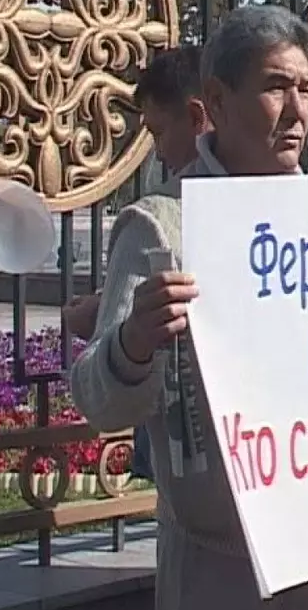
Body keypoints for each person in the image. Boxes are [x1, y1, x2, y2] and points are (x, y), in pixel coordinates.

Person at [69, 4, 308, 610]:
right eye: (275, 86)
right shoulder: (162, 227)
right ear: (219, 102)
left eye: (307, 88)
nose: (297, 110)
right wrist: (133, 344)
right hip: (220, 568)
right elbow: (97, 399)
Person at [63, 46, 210, 481]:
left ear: (198, 117)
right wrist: (125, 325)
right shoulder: (159, 219)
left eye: (159, 132)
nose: (158, 152)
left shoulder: (156, 220)